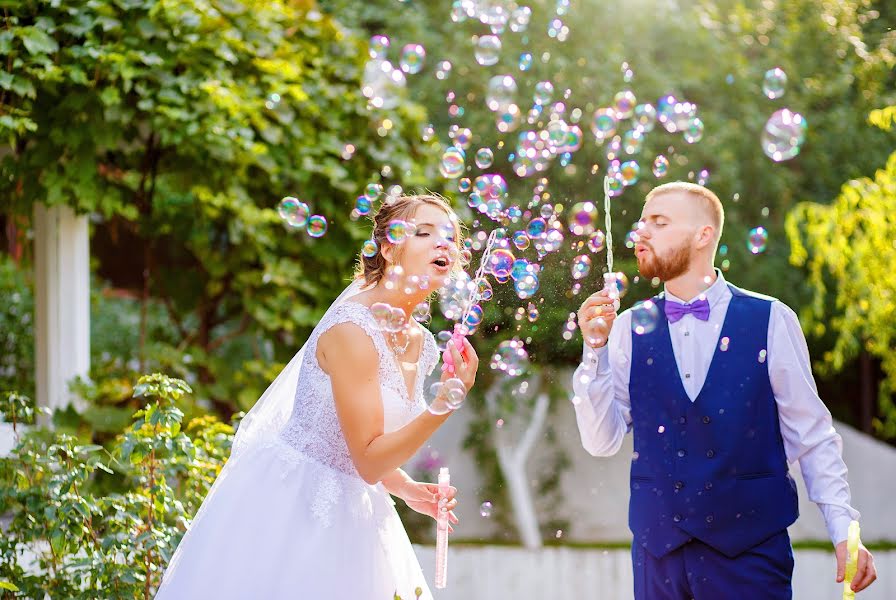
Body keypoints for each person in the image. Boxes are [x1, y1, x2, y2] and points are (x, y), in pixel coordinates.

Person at [156, 194, 479, 599]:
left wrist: (408, 488)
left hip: (358, 510)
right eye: (424, 232)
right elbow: (367, 458)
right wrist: (443, 404)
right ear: (388, 246)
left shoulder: (422, 342)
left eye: (449, 236)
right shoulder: (353, 331)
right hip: (293, 507)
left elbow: (354, 444)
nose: (441, 243)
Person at [571, 182, 877, 598]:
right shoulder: (625, 327)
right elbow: (600, 441)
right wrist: (594, 354)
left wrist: (845, 529)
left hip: (749, 554)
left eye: (659, 222)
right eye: (642, 221)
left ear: (704, 235)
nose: (640, 231)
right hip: (658, 557)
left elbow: (813, 436)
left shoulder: (771, 319)